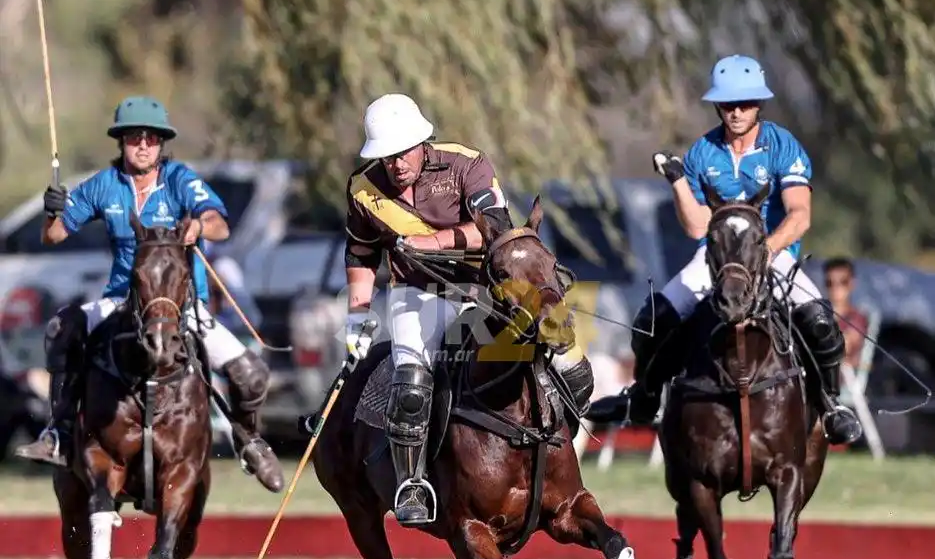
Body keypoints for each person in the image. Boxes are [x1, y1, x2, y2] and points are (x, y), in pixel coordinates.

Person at [344, 92, 593, 526]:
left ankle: (556, 457)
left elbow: (494, 229)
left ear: (422, 143)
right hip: (415, 293)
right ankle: (413, 482)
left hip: (485, 284)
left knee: (564, 353)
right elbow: (361, 254)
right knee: (411, 384)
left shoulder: (466, 163)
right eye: (386, 157)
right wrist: (357, 314)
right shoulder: (363, 188)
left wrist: (433, 241)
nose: (395, 164)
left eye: (402, 153)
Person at [15, 96, 285, 493]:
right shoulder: (104, 185)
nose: (143, 145)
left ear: (161, 144)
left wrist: (197, 227)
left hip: (180, 306)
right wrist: (51, 210)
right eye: (134, 138)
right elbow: (53, 235)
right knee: (61, 329)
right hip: (122, 299)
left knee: (251, 374)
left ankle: (248, 439)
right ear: (121, 142)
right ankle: (60, 431)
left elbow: (219, 224)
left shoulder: (178, 179)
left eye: (151, 139)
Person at [589, 56, 862, 446]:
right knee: (652, 320)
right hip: (716, 258)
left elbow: (800, 216)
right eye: (728, 104)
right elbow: (697, 226)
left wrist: (765, 250)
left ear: (759, 105)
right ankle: (643, 398)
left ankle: (832, 404)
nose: (736, 112)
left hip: (772, 252)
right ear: (717, 106)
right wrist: (679, 183)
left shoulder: (784, 147)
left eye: (745, 104)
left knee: (820, 322)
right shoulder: (703, 152)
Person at [823, 257, 869, 369]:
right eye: (830, 282)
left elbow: (845, 347)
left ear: (852, 283)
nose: (836, 288)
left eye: (843, 281)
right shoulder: (819, 314)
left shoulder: (857, 318)